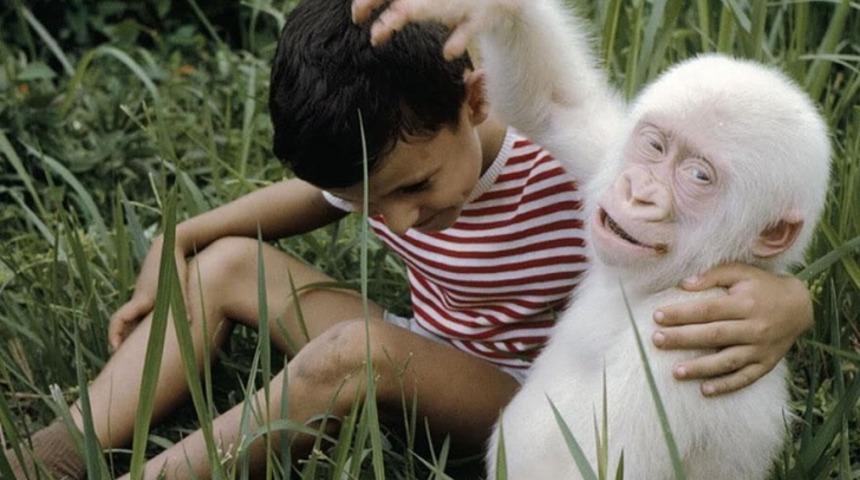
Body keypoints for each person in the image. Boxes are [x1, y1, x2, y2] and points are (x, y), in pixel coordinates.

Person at [4, 0, 813, 478]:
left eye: (415, 189)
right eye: (367, 199)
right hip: (431, 351)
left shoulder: (574, 163)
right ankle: (54, 452)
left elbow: (700, 233)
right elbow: (320, 197)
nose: (391, 220)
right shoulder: (391, 160)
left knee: (356, 351)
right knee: (226, 265)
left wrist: (789, 297)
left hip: (530, 401)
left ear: (476, 97)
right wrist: (179, 238)